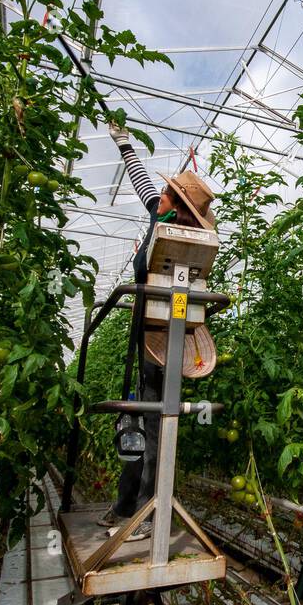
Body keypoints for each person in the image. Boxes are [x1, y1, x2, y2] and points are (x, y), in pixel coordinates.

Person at [98, 121, 217, 538]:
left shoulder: (190, 239)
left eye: (167, 193)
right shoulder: (159, 216)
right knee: (138, 417)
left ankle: (147, 506)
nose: (159, 195)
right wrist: (124, 142)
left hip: (167, 335)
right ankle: (128, 502)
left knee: (153, 421)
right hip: (147, 331)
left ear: (178, 206)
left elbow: (190, 288)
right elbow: (142, 183)